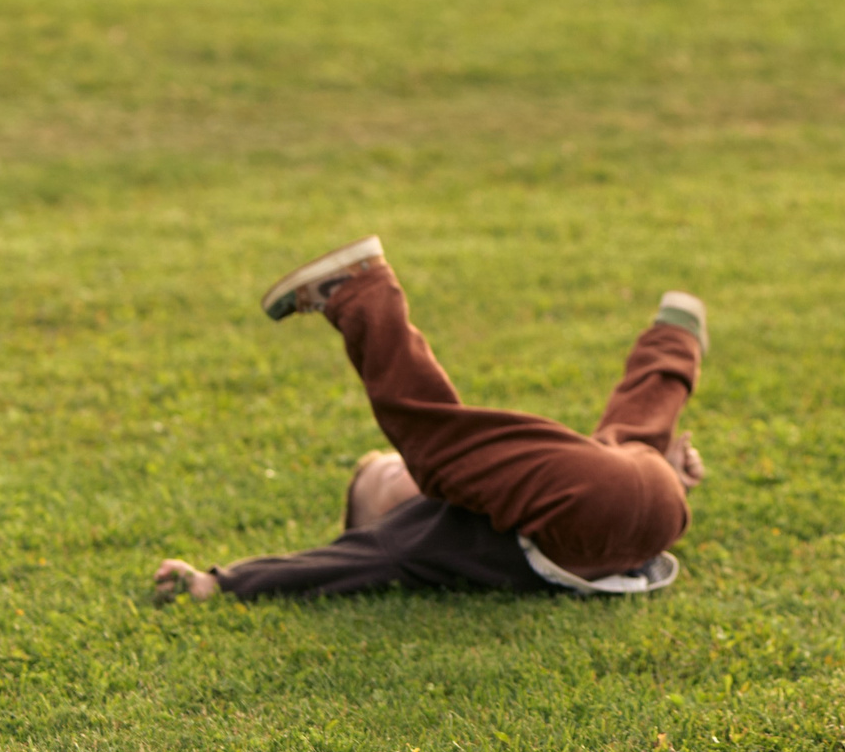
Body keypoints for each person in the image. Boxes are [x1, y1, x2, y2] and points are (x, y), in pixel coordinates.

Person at [152, 236, 710, 603]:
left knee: (617, 444)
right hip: (636, 524)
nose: (406, 470)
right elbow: (327, 565)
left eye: (393, 466)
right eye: (390, 480)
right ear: (387, 520)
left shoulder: (500, 496)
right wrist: (216, 583)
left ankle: (676, 334)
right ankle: (675, 341)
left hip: (618, 512)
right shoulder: (409, 540)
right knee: (625, 441)